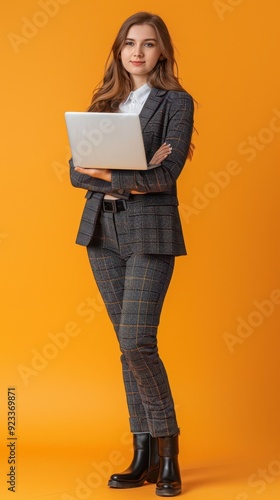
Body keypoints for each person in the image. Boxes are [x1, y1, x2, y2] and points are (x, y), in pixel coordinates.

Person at [69, 11, 194, 497]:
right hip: (102, 230)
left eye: (148, 43)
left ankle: (168, 451)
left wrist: (106, 172)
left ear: (162, 51)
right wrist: (122, 172)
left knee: (138, 339)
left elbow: (166, 176)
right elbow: (76, 171)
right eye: (129, 43)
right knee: (125, 346)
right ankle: (140, 452)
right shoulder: (105, 104)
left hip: (151, 233)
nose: (138, 51)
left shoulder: (175, 103)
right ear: (119, 51)